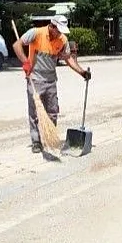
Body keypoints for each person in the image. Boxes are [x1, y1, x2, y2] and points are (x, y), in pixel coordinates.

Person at [13, 15, 91, 153]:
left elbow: (68, 59)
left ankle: (50, 137)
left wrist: (82, 72)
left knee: (53, 112)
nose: (60, 33)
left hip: (51, 81)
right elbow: (17, 45)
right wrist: (25, 62)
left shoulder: (62, 40)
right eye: (58, 30)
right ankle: (36, 141)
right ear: (52, 26)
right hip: (35, 79)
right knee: (35, 113)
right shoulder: (36, 33)